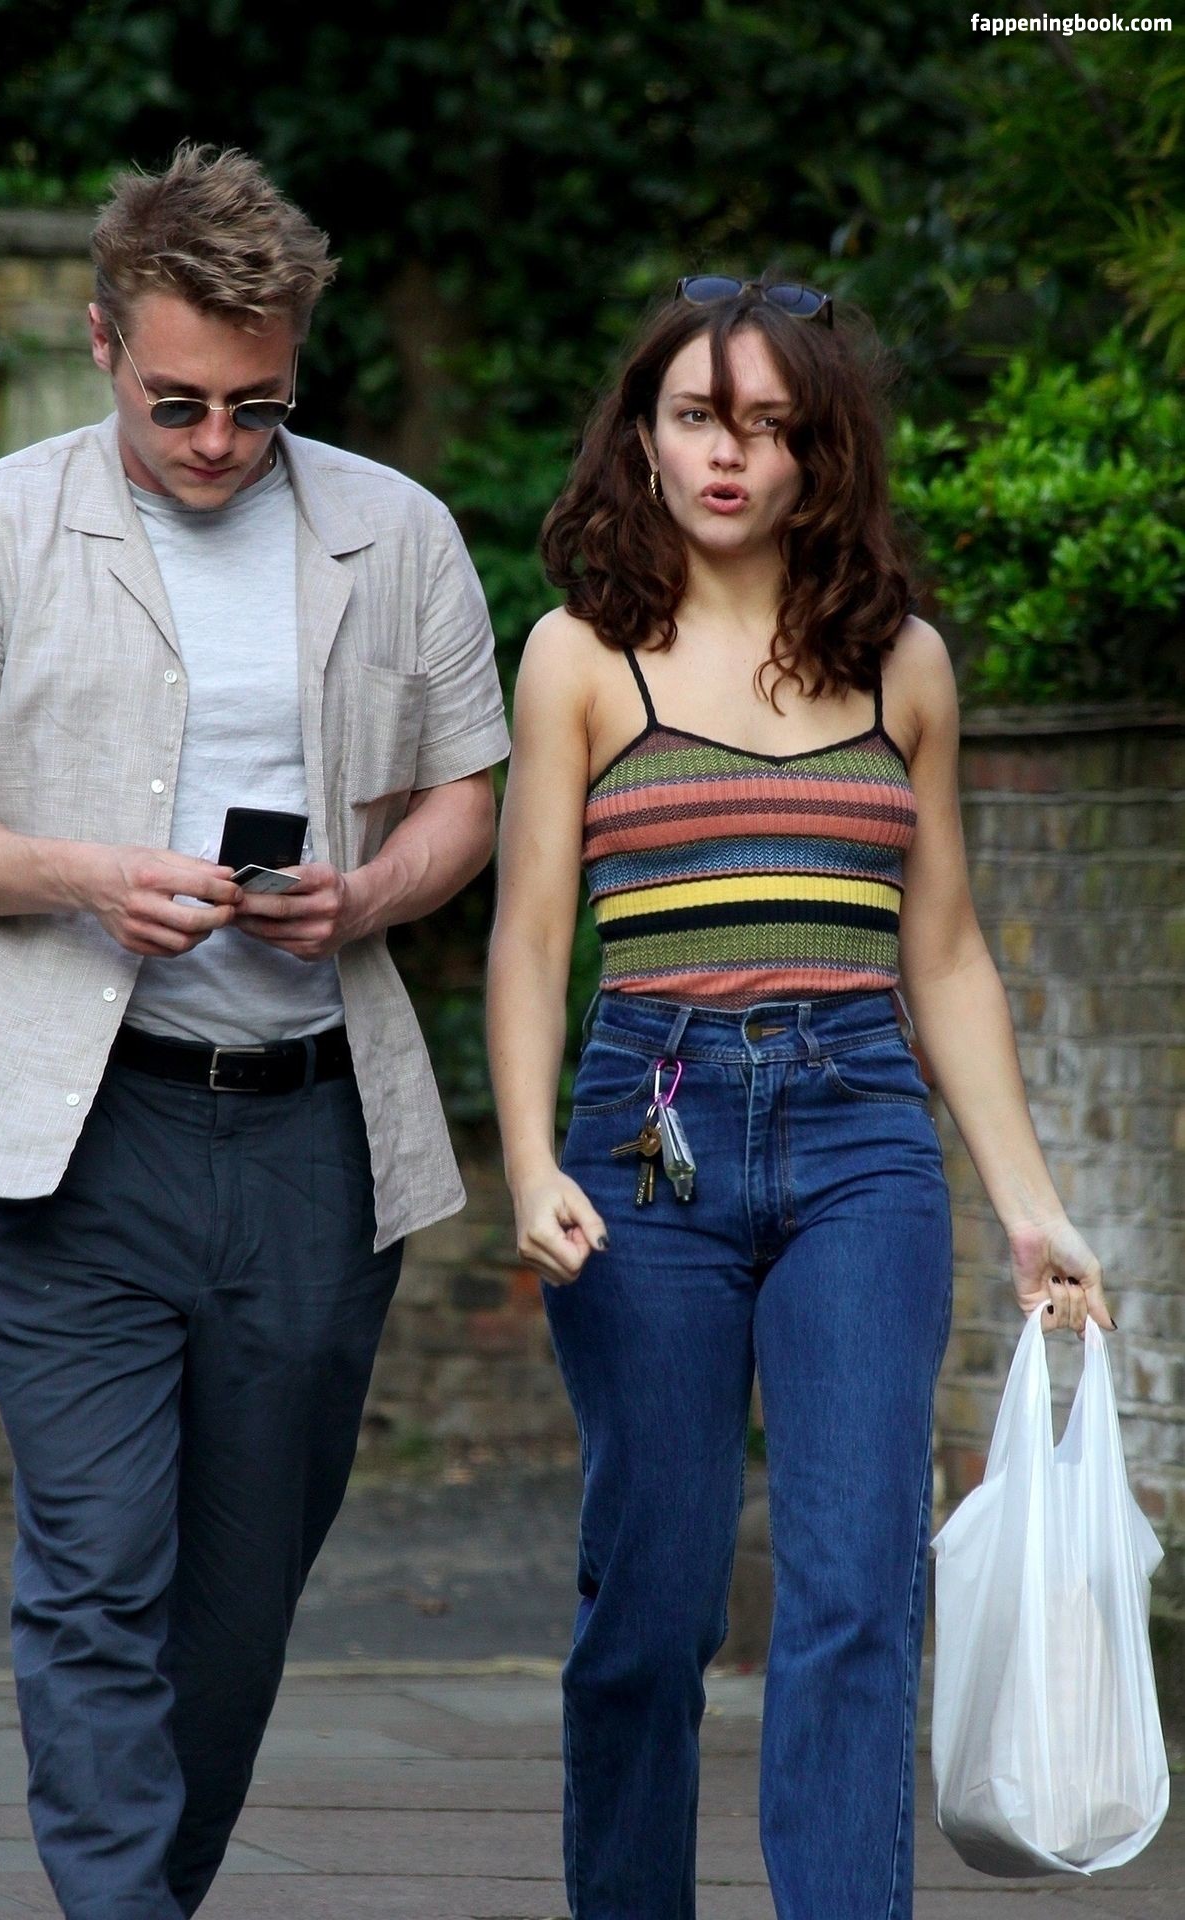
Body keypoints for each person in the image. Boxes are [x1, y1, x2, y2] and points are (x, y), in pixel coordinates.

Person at [0, 142, 509, 1919]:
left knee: (237, 1601)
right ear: (101, 342)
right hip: (81, 1139)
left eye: (256, 404)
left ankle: (148, 1889)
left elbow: (469, 799)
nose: (218, 440)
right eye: (177, 404)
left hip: (313, 1138)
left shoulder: (398, 532)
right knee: (95, 1576)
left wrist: (363, 897)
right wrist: (79, 877)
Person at [486, 274, 1113, 1920]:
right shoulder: (578, 657)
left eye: (768, 426)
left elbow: (946, 953)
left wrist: (1030, 1206)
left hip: (860, 1137)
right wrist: (533, 1159)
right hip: (650, 1139)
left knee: (854, 1589)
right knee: (654, 1602)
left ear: (817, 452)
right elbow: (532, 933)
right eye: (698, 417)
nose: (729, 455)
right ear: (642, 433)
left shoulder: (903, 666)